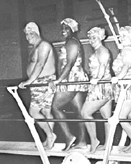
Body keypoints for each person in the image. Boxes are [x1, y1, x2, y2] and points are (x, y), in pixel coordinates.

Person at [49, 18, 89, 151]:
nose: (63, 31)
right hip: (73, 79)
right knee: (79, 111)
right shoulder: (71, 42)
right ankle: (82, 141)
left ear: (72, 29)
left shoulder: (72, 42)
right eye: (62, 28)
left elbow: (70, 63)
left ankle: (68, 136)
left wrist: (58, 80)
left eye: (66, 28)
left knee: (55, 107)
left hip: (71, 79)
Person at [19, 22, 57, 150]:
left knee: (34, 112)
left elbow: (40, 64)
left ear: (37, 32)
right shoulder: (35, 47)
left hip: (43, 82)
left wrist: (29, 81)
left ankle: (50, 136)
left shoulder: (44, 45)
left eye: (30, 33)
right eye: (26, 34)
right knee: (46, 111)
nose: (27, 36)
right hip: (38, 83)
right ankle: (49, 138)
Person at [81, 27, 113, 153]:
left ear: (101, 38)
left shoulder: (103, 51)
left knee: (85, 113)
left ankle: (94, 141)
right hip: (104, 86)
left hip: (101, 87)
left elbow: (103, 67)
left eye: (94, 37)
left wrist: (96, 80)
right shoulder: (98, 50)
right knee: (106, 116)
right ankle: (107, 144)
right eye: (90, 37)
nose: (91, 40)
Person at [112, 26, 131, 153]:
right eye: (120, 36)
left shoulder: (127, 50)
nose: (121, 38)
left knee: (121, 117)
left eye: (124, 36)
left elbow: (126, 66)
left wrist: (117, 78)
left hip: (127, 87)